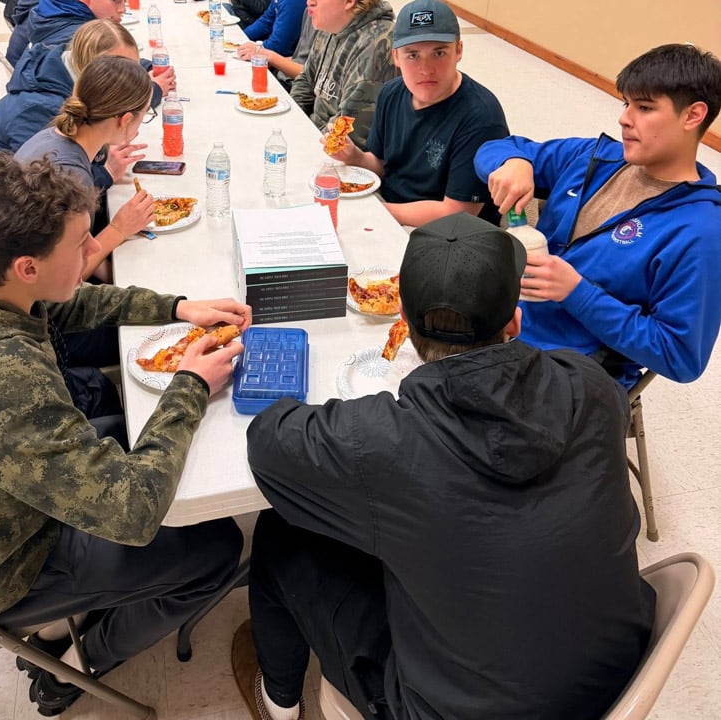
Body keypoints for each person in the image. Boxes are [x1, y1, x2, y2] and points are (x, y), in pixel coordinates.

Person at [233, 213, 655, 720]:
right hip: (615, 683)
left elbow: (268, 443)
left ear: (404, 330)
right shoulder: (592, 384)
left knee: (282, 535)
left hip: (448, 709)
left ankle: (278, 703)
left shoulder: (381, 441)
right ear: (516, 321)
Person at [0, 153, 250, 715]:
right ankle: (75, 667)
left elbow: (62, 299)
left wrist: (175, 306)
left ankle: (54, 630)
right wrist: (189, 383)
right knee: (213, 547)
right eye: (80, 245)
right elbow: (134, 511)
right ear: (26, 265)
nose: (93, 251)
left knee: (126, 429)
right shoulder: (1, 379)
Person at [474, 42, 721, 389]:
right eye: (626, 103)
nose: (624, 118)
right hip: (508, 325)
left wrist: (577, 292)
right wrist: (513, 163)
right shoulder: (595, 157)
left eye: (645, 107)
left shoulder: (701, 231)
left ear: (692, 116)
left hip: (575, 374)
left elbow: (681, 357)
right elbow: (495, 147)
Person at [326, 0, 508, 226]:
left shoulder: (481, 116)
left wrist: (377, 211)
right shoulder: (390, 93)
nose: (425, 69)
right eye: (413, 55)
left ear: (458, 51)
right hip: (391, 210)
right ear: (396, 57)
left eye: (439, 53)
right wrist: (355, 157)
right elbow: (384, 164)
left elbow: (457, 213)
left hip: (447, 234)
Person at [14, 55, 156, 281]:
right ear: (125, 120)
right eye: (146, 114)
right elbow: (67, 278)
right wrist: (119, 229)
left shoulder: (53, 135)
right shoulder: (71, 176)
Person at [0, 20, 156, 187]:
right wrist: (106, 173)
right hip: (1, 206)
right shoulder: (42, 109)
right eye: (121, 68)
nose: (130, 76)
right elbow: (53, 191)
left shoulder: (66, 71)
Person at [289, 0, 396, 149]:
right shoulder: (331, 24)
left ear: (349, 1)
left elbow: (349, 132)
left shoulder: (375, 46)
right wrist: (294, 122)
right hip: (314, 132)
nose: (309, 1)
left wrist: (301, 142)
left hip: (344, 156)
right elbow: (306, 79)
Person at [7, 0, 128, 67]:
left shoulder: (54, 7)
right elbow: (114, 72)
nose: (123, 9)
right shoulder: (80, 37)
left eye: (125, 0)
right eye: (115, 0)